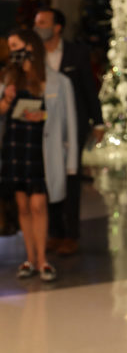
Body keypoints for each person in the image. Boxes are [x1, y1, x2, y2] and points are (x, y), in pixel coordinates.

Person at [2, 30, 78, 282]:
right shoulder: (8, 79)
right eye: (10, 47)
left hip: (41, 152)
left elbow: (68, 123)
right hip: (15, 148)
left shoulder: (57, 81)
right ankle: (30, 259)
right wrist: (5, 100)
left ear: (30, 47)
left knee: (38, 204)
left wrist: (71, 163)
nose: (12, 51)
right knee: (23, 206)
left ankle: (43, 259)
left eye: (16, 45)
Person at [34, 8, 103, 256]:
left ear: (57, 27)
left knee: (71, 178)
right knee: (47, 177)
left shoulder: (76, 53)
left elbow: (89, 90)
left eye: (42, 22)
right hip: (44, 126)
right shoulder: (35, 55)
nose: (37, 27)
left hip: (73, 126)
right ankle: (55, 233)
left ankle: (71, 234)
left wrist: (98, 122)